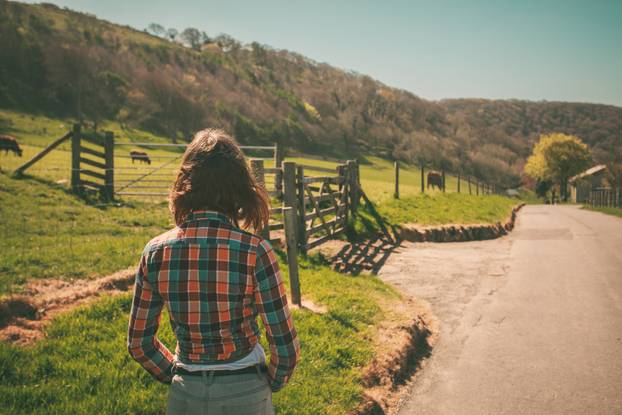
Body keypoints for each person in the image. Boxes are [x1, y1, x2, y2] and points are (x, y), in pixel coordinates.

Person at [127, 129, 300, 415]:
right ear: (240, 188)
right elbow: (285, 346)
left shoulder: (155, 251)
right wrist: (271, 382)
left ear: (185, 183)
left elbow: (139, 343)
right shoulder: (256, 252)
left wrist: (177, 375)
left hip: (186, 393)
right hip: (246, 390)